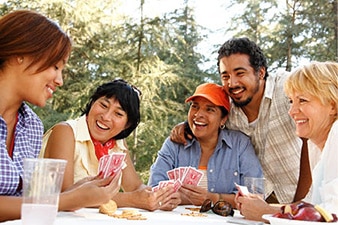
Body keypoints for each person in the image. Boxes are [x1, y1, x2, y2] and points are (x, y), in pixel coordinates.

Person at [0, 10, 121, 222]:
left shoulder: (31, 126)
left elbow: (24, 203)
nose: (60, 80)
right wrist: (64, 201)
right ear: (20, 54)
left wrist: (74, 193)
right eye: (56, 66)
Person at [170, 37, 311, 204]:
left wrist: (299, 205)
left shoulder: (286, 89)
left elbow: (311, 138)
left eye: (240, 73)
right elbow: (208, 119)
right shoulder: (227, 108)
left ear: (260, 72)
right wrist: (187, 126)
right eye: (225, 76)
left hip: (301, 196)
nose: (232, 83)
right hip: (259, 201)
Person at [40, 79, 180, 211]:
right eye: (103, 105)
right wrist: (132, 200)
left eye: (118, 114)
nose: (106, 117)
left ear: (127, 125)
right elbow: (66, 196)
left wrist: (159, 196)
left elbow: (135, 186)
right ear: (92, 102)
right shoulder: (65, 131)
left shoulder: (117, 143)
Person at [236, 61, 338, 220]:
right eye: (291, 101)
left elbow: (331, 216)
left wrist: (266, 213)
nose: (291, 111)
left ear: (332, 105)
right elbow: (314, 207)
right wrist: (265, 208)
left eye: (302, 100)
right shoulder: (315, 145)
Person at [148, 83, 263, 208]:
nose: (198, 114)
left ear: (223, 119)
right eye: (195, 106)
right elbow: (154, 188)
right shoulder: (174, 144)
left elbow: (254, 198)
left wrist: (212, 198)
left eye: (209, 109)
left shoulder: (240, 144)